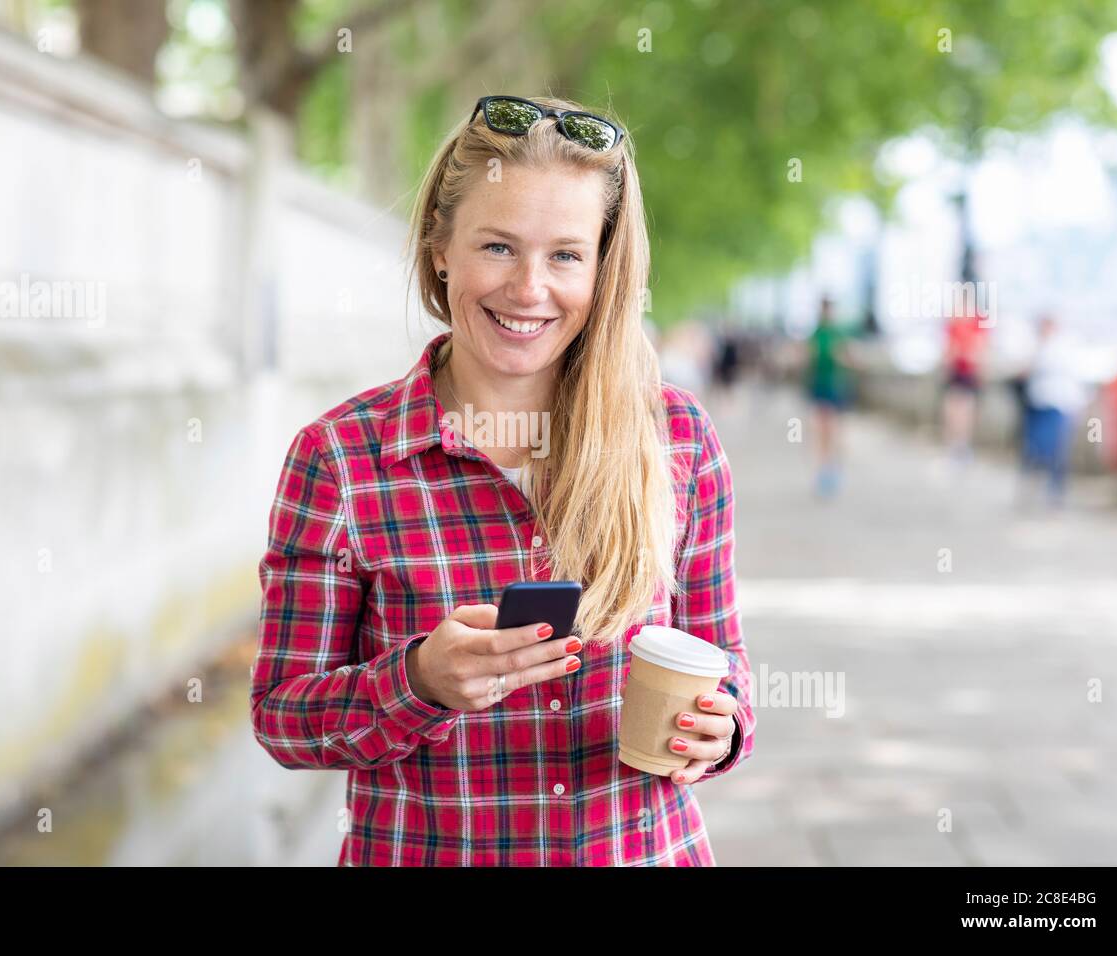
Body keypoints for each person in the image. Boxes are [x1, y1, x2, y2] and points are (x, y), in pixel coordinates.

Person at [249, 95, 755, 866]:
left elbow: (723, 664)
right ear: (440, 246)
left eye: (565, 255)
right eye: (498, 247)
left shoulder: (676, 440)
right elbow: (284, 719)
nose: (528, 289)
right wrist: (418, 681)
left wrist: (722, 732)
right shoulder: (342, 459)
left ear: (602, 266)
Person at [1020, 315, 1087, 508]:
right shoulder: (1039, 347)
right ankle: (1037, 489)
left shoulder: (1060, 350)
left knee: (1054, 451)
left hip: (1057, 407)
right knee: (1036, 450)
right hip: (1039, 405)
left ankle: (1053, 493)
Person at [806, 297, 852, 497]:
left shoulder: (837, 334)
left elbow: (847, 357)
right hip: (819, 386)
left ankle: (832, 469)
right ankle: (822, 470)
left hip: (834, 386)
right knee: (819, 429)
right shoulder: (817, 333)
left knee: (833, 429)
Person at [940, 309, 989, 464]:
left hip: (969, 373)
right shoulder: (954, 319)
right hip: (955, 372)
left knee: (965, 414)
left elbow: (981, 347)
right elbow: (949, 347)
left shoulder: (978, 320)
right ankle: (953, 449)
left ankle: (962, 449)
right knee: (951, 412)